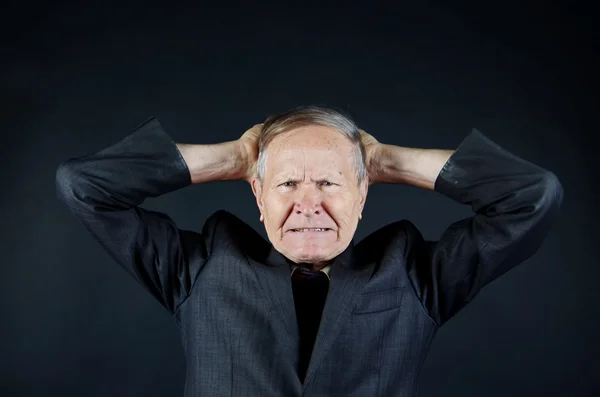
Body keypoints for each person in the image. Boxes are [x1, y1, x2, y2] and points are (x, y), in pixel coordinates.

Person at [55, 105, 563, 397]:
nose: (308, 205)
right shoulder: (199, 267)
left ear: (363, 194)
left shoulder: (415, 274)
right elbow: (84, 186)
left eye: (329, 182)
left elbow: (532, 197)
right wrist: (236, 156)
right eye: (288, 183)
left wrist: (386, 159)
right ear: (257, 194)